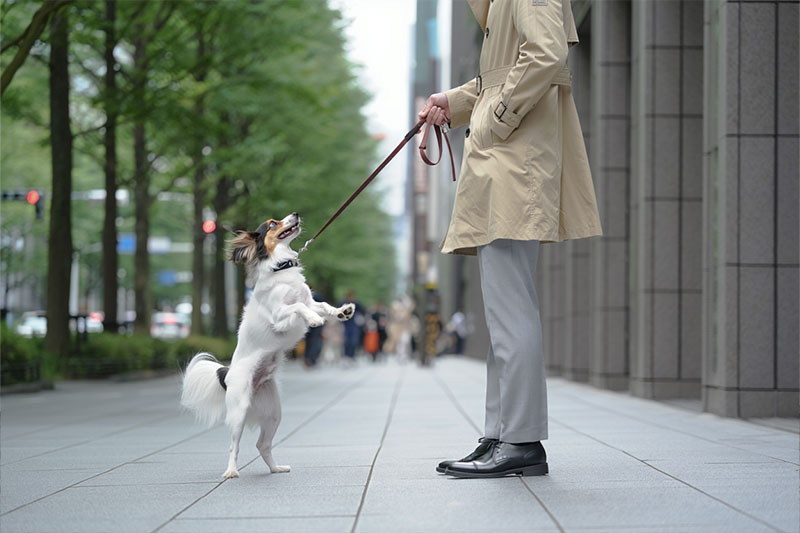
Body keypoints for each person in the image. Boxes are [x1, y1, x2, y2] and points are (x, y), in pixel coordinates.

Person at [419, 0, 602, 478]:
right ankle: (502, 433)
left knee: (510, 308)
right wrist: (456, 103)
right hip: (508, 161)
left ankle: (519, 439)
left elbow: (544, 54)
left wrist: (495, 117)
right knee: (505, 311)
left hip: (513, 162)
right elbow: (502, 71)